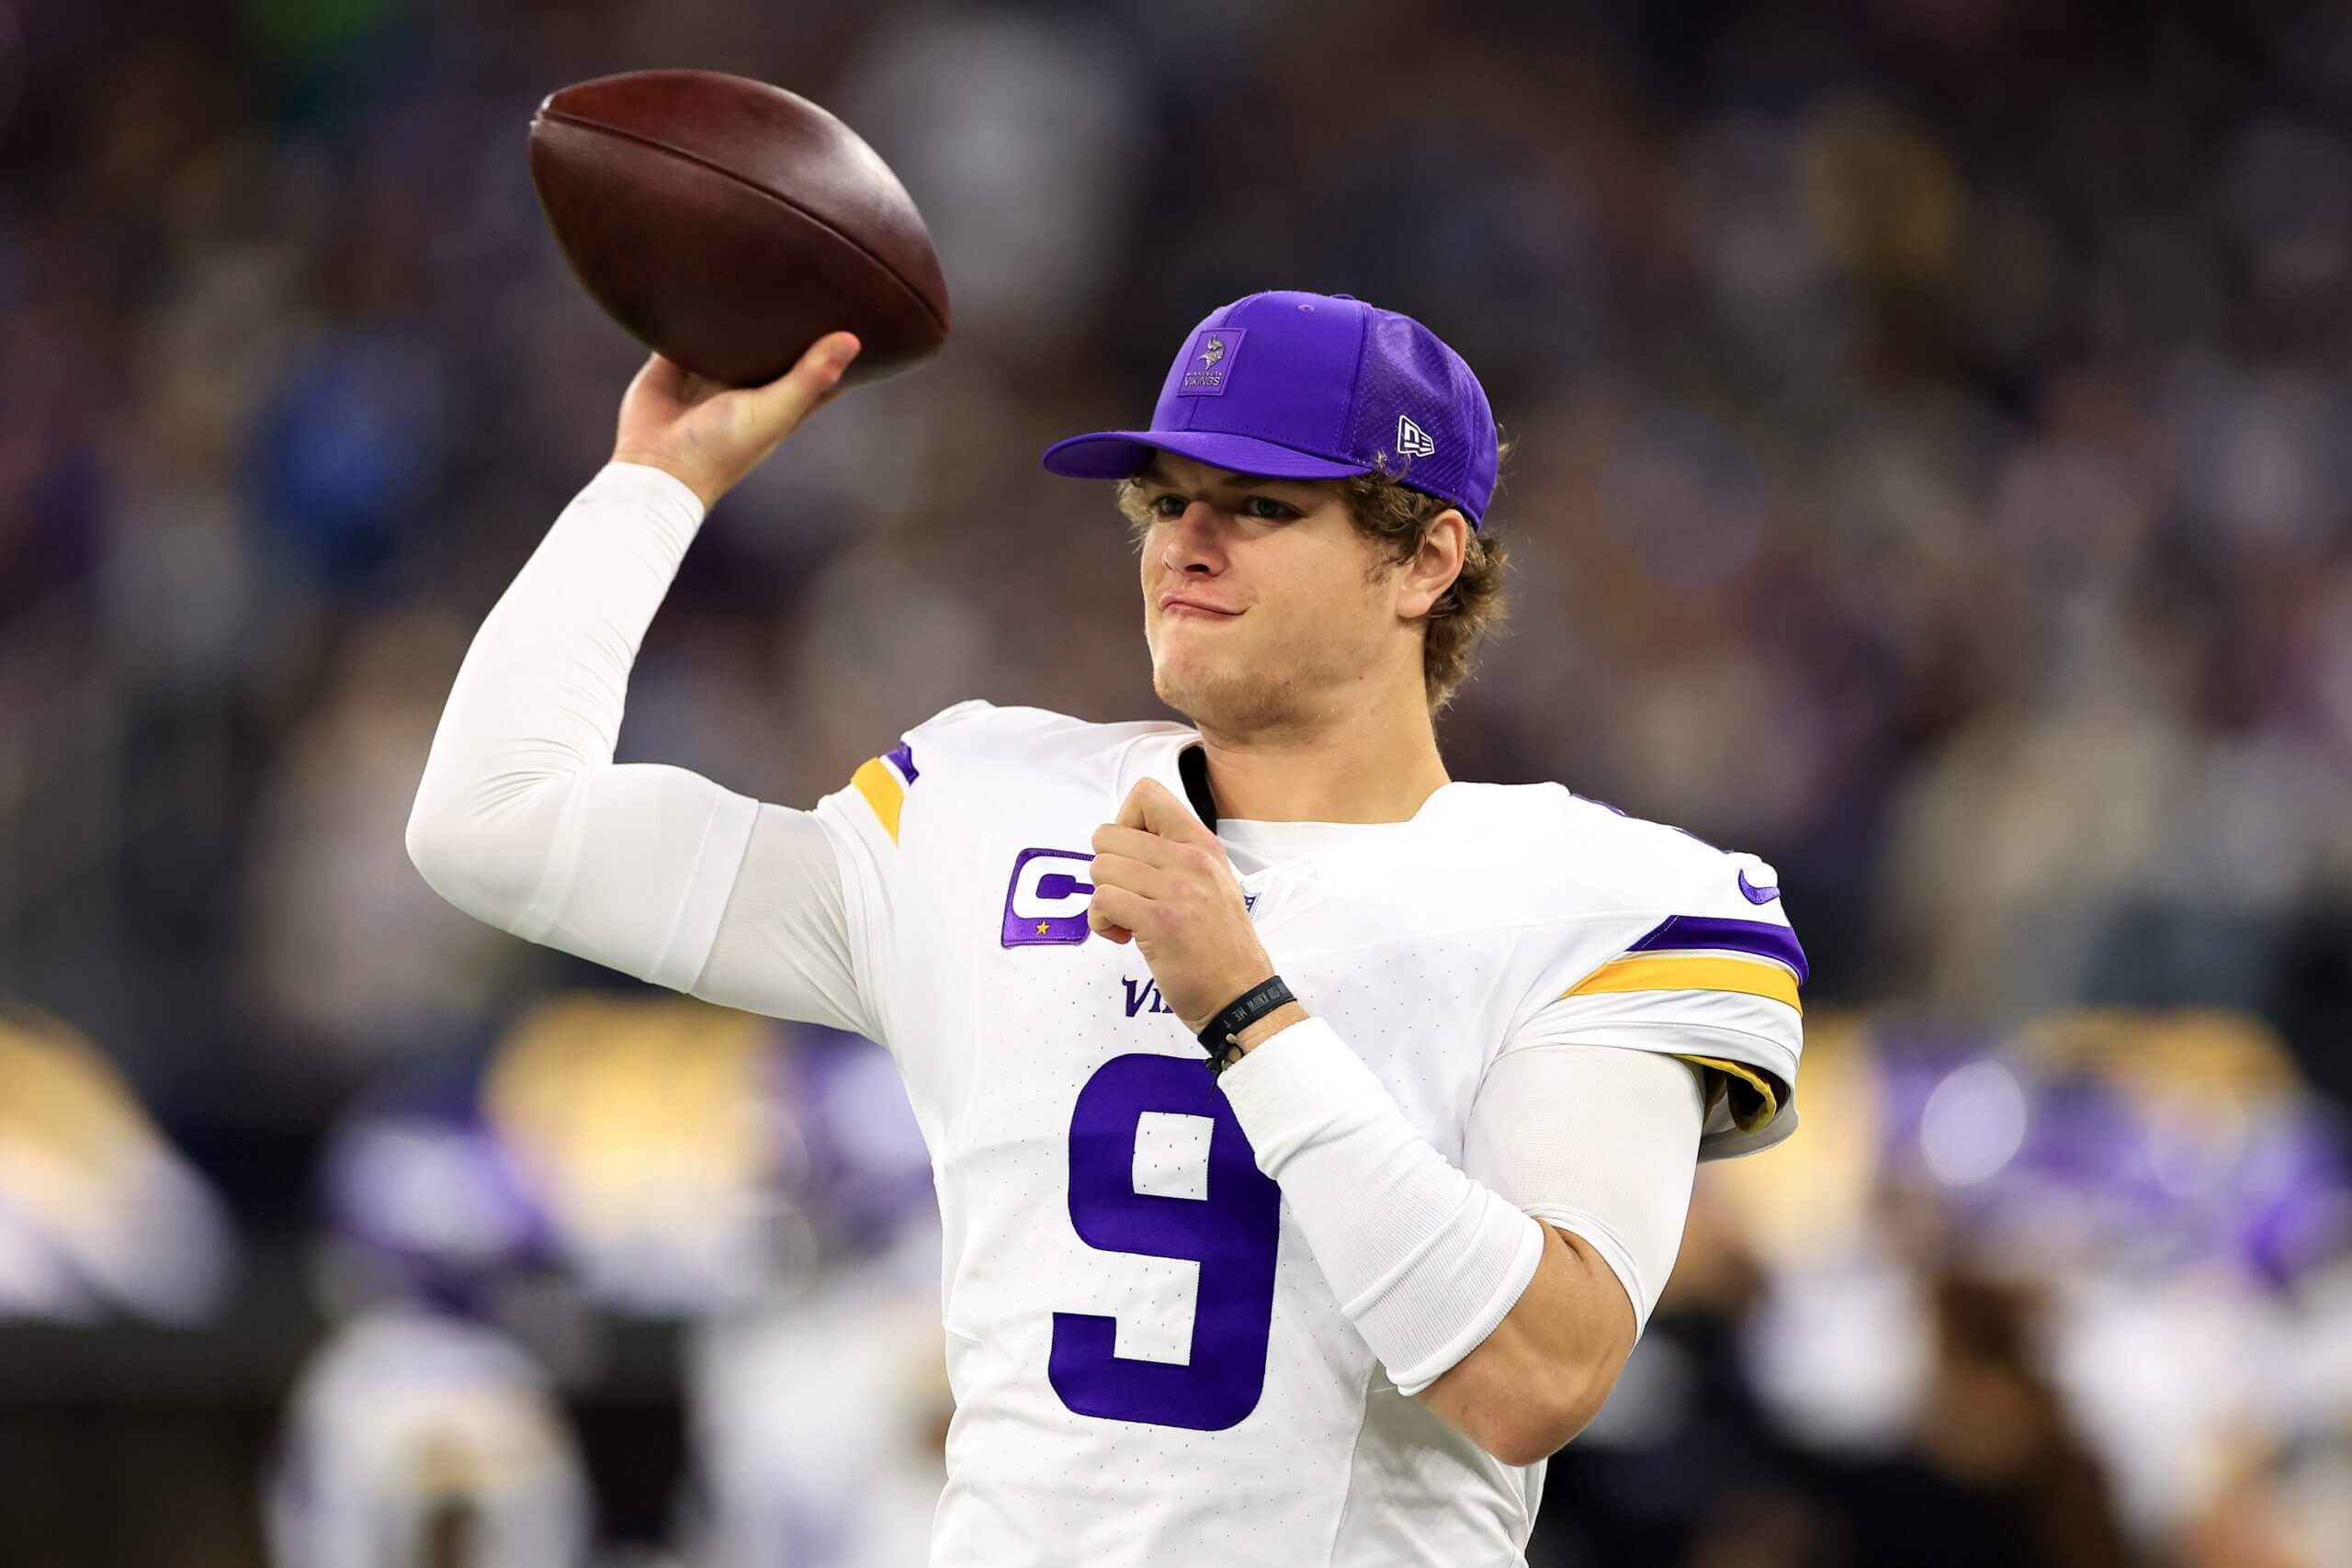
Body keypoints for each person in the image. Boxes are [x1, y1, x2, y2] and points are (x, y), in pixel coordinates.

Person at [406, 290, 1807, 1566]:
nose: (1185, 546)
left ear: (1427, 559)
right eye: (1162, 501)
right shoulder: (988, 808)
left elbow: (1531, 1380)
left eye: (1257, 506)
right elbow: (492, 822)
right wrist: (654, 486)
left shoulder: (1591, 897)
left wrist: (1246, 1005)